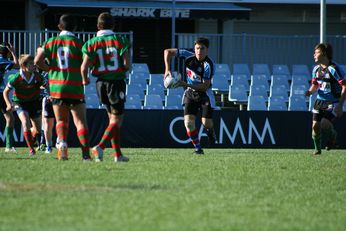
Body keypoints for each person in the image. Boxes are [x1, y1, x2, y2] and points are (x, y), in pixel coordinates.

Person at [34, 14, 91, 161]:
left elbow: (37, 61)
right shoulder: (80, 43)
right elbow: (87, 63)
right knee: (80, 122)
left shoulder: (50, 42)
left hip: (57, 88)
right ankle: (85, 155)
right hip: (75, 88)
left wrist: (50, 70)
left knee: (61, 121)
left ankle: (63, 146)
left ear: (59, 27)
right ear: (76, 27)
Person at [81, 12, 131, 162]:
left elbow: (84, 67)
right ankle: (100, 146)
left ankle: (118, 155)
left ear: (98, 26)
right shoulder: (120, 40)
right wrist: (121, 70)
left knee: (112, 120)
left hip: (100, 83)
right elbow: (127, 65)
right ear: (114, 25)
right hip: (115, 83)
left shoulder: (91, 43)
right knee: (117, 120)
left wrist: (85, 80)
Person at [164, 37, 217, 155]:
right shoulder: (188, 54)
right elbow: (167, 52)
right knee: (188, 123)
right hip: (190, 93)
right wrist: (167, 69)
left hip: (205, 94)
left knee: (206, 123)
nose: (199, 51)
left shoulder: (209, 65)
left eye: (202, 48)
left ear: (207, 50)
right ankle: (198, 149)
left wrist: (184, 83)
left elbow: (204, 86)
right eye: (197, 48)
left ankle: (210, 131)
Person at [305, 43, 346, 155]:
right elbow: (315, 85)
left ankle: (333, 136)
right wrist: (309, 92)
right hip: (319, 101)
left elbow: (345, 86)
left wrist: (340, 105)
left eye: (316, 52)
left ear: (323, 53)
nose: (314, 54)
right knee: (315, 126)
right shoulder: (316, 69)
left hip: (333, 102)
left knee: (323, 123)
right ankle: (317, 150)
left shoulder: (334, 69)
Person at [3, 54, 44, 156]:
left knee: (37, 129)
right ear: (23, 66)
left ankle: (32, 138)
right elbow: (5, 92)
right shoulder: (16, 78)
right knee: (25, 122)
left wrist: (50, 94)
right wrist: (9, 104)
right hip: (20, 102)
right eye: (31, 64)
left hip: (34, 102)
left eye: (34, 63)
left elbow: (45, 86)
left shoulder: (38, 76)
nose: (34, 65)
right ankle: (31, 149)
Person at [0, 42, 18, 152]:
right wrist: (13, 52)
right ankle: (8, 146)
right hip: (0, 93)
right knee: (10, 118)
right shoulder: (3, 61)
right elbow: (17, 64)